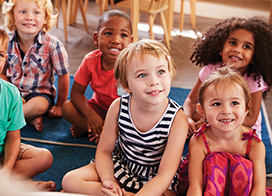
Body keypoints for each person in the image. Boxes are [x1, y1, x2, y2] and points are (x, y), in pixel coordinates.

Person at [61, 39, 189, 196]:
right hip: (122, 166)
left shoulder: (178, 119)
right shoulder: (118, 106)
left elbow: (165, 174)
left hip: (156, 178)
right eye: (142, 75)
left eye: (161, 72)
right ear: (126, 85)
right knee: (69, 180)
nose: (154, 81)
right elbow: (104, 151)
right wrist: (108, 180)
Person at [0, 19, 55, 191]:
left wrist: (6, 169)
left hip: (1, 153)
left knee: (44, 157)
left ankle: (1, 183)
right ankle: (20, 186)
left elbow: (13, 137)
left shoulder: (11, 94)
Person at [178, 66, 272, 196]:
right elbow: (196, 187)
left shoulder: (254, 144)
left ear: (246, 108)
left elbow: (258, 188)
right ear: (202, 111)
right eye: (216, 104)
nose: (226, 111)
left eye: (234, 103)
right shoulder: (199, 141)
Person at [183, 16, 272, 138]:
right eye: (232, 42)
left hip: (241, 125)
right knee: (189, 118)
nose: (237, 49)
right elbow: (191, 100)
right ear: (220, 49)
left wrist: (211, 122)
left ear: (254, 57)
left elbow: (251, 119)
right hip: (214, 117)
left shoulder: (253, 80)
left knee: (251, 147)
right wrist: (187, 118)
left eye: (246, 47)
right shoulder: (210, 70)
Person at [1, 0, 70, 132]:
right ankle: (29, 118)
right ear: (13, 16)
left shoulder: (53, 45)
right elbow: (0, 72)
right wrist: (12, 93)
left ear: (45, 19)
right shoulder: (5, 41)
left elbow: (63, 75)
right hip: (12, 92)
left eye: (36, 12)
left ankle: (5, 125)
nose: (29, 17)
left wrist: (60, 105)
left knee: (40, 106)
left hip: (39, 94)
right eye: (23, 12)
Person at [61, 10, 133, 143]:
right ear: (96, 38)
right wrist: (90, 115)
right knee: (67, 108)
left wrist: (114, 123)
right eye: (108, 33)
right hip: (98, 108)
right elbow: (77, 92)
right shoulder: (90, 60)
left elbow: (138, 103)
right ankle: (100, 130)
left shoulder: (133, 65)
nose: (116, 40)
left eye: (123, 35)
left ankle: (100, 132)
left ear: (131, 41)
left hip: (125, 113)